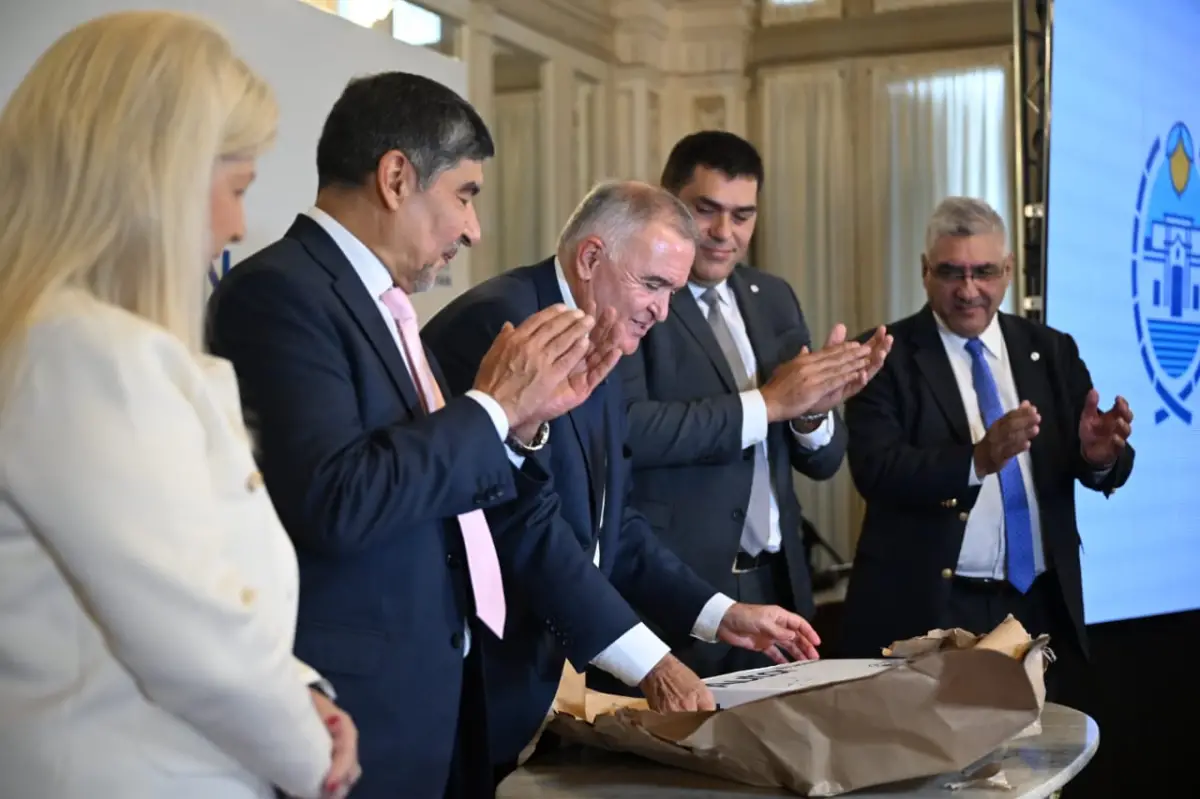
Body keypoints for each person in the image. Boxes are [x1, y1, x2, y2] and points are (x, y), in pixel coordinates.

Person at [206, 72, 603, 799]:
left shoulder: (381, 300)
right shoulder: (281, 293)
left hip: (442, 693)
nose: (473, 230)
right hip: (357, 712)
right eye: (465, 195)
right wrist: (488, 408)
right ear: (396, 177)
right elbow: (336, 495)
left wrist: (516, 427)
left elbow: (429, 484)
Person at [0, 12, 359, 799]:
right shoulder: (85, 351)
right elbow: (191, 633)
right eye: (235, 188)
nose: (235, 226)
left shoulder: (66, 342)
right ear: (151, 177)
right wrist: (309, 751)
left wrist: (297, 687)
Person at [424, 180, 825, 784]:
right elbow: (521, 522)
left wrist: (721, 614)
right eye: (654, 285)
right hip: (472, 681)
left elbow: (615, 520)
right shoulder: (504, 323)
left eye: (673, 291)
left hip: (537, 674)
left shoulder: (602, 325)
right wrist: (651, 663)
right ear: (590, 259)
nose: (663, 312)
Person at [840, 196, 1134, 713]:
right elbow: (876, 470)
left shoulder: (1051, 349)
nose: (969, 289)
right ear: (925, 271)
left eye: (985, 272)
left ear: (1009, 271)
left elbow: (1093, 467)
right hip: (933, 609)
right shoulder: (884, 353)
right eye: (951, 272)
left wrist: (1097, 456)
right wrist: (975, 460)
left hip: (1037, 605)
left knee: (1037, 768)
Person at [617, 131, 892, 677]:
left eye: (743, 215)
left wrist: (813, 412)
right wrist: (767, 403)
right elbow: (629, 431)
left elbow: (823, 461)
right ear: (668, 201)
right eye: (707, 210)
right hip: (678, 591)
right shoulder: (632, 292)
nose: (725, 233)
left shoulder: (774, 298)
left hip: (780, 584)